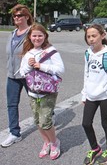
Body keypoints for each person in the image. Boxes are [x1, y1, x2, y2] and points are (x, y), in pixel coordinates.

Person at [19, 23, 64, 160]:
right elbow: (22, 72)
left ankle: (55, 143)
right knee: (37, 121)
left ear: (45, 36)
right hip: (33, 92)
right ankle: (46, 142)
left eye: (40, 35)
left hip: (47, 92)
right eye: (34, 36)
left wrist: (41, 66)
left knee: (46, 121)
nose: (37, 38)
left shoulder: (51, 51)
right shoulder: (28, 53)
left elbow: (61, 70)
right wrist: (29, 64)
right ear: (30, 37)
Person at [81, 24, 107, 165]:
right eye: (88, 36)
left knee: (106, 124)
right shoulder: (87, 53)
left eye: (94, 36)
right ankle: (95, 148)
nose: (91, 39)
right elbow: (86, 74)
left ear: (102, 36)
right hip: (91, 95)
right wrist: (84, 94)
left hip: (105, 96)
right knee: (86, 123)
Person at [1, 4, 34, 148]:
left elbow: (43, 49)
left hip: (28, 75)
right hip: (12, 76)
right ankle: (14, 133)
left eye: (19, 15)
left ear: (26, 17)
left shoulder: (32, 33)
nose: (16, 18)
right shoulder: (12, 33)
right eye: (14, 15)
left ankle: (47, 119)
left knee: (36, 102)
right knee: (12, 105)